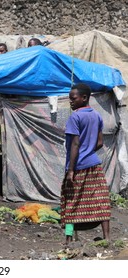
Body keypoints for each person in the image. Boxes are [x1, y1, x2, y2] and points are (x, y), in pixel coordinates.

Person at [60, 83, 111, 245]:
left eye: (73, 99)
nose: (71, 102)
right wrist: (88, 150)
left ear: (84, 98)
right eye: (70, 99)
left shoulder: (75, 117)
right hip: (94, 164)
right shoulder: (96, 115)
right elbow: (100, 143)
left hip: (78, 166)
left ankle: (68, 239)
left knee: (71, 202)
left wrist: (70, 170)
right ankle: (107, 238)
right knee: (100, 199)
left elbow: (74, 144)